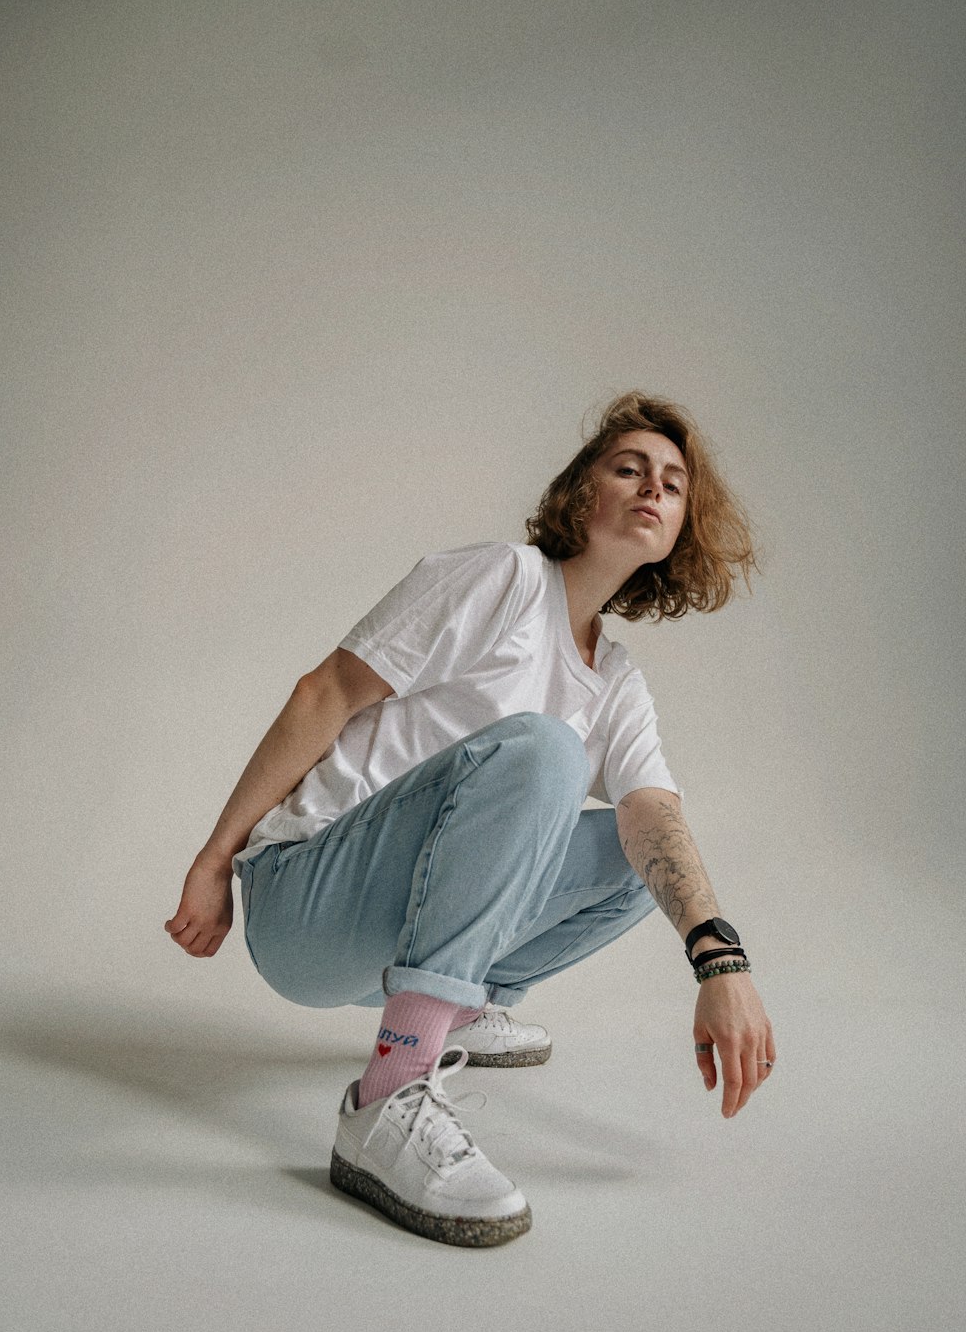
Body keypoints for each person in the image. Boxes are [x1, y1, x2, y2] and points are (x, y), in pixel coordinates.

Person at [164, 390, 776, 1248]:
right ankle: (389, 1094)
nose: (652, 487)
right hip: (304, 900)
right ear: (579, 493)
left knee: (648, 856)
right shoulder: (502, 580)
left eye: (673, 484)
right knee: (546, 754)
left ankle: (454, 1009)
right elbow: (325, 694)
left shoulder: (618, 681)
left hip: (394, 938)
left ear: (680, 530)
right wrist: (216, 857)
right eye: (628, 467)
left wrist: (721, 962)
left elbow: (653, 816)